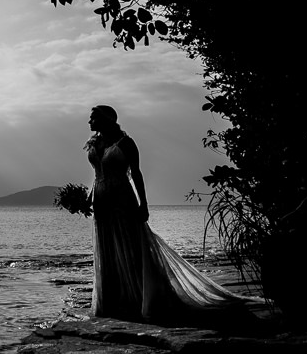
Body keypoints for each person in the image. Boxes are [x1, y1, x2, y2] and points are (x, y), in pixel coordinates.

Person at [86, 104, 253, 322]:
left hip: (121, 199)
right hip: (101, 202)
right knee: (108, 246)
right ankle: (114, 300)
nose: (90, 122)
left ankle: (138, 297)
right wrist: (88, 198)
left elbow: (136, 173)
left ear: (107, 119)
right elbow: (99, 173)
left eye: (94, 118)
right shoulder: (94, 143)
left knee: (131, 246)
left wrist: (143, 204)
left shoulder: (125, 143)